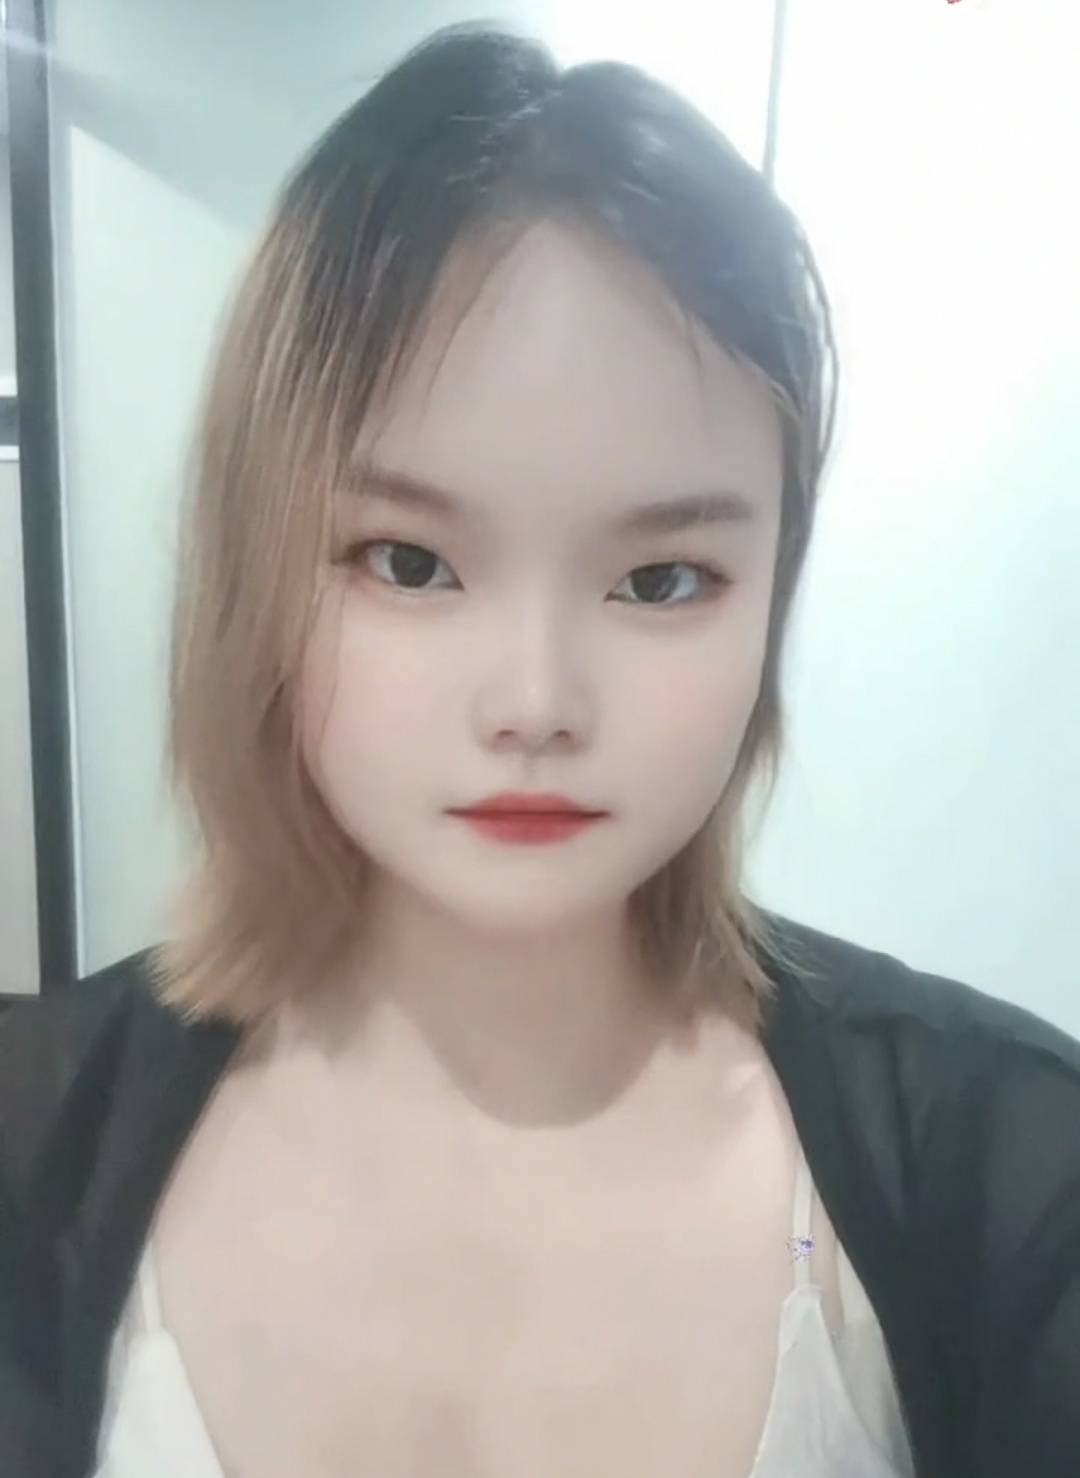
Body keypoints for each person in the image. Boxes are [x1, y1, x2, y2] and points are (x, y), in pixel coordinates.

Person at [1, 21, 1077, 1478]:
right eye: (409, 561)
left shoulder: (1005, 1169)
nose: (536, 699)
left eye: (660, 580)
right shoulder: (31, 1148)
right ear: (257, 567)